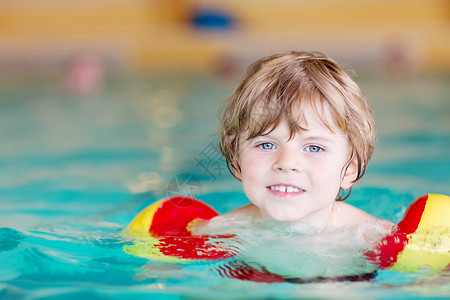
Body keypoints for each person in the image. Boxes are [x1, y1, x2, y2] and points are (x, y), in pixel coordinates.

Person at [193, 51, 393, 241]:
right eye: (266, 145)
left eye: (314, 148)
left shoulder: (371, 237)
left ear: (350, 170)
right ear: (237, 162)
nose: (286, 163)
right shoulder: (217, 232)